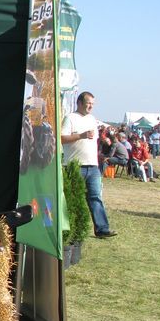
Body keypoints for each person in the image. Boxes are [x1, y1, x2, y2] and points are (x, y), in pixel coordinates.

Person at [60, 91, 117, 238]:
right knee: (73, 198)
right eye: (88, 103)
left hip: (92, 166)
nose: (91, 106)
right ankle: (70, 229)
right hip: (74, 166)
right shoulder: (70, 118)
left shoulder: (92, 119)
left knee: (95, 197)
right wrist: (81, 135)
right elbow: (62, 138)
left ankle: (102, 229)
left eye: (93, 104)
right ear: (79, 103)